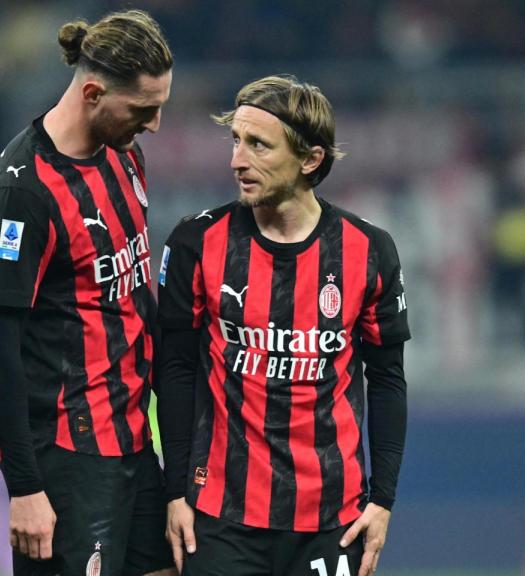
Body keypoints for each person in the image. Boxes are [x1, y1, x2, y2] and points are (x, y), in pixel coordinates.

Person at [157, 75, 411, 576]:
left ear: (310, 159)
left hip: (332, 520)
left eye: (257, 145)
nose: (237, 160)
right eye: (235, 141)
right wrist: (175, 493)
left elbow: (386, 380)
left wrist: (382, 500)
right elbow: (177, 371)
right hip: (219, 516)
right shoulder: (195, 242)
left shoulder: (369, 250)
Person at [0, 9, 177, 576]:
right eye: (143, 109)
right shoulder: (23, 193)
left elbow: (139, 303)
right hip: (68, 457)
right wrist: (24, 488)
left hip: (137, 444)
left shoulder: (125, 155)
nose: (155, 124)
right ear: (92, 93)